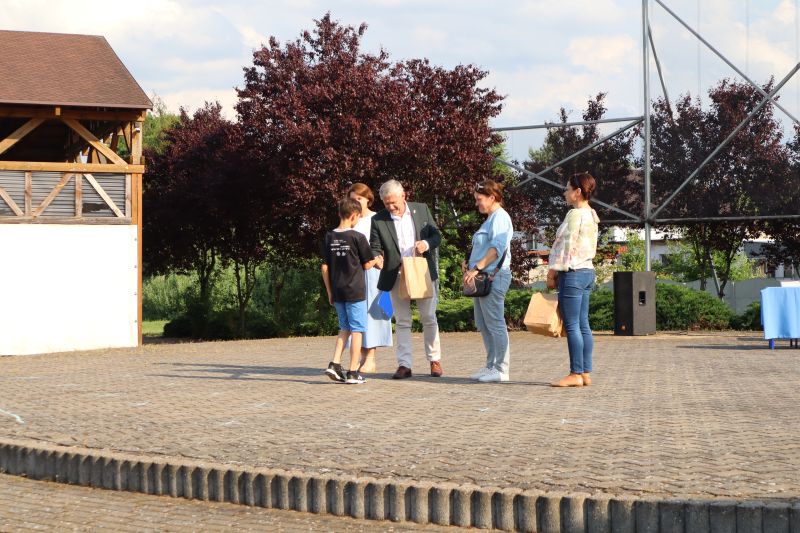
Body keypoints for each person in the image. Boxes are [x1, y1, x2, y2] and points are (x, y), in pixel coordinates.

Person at [369, 179, 443, 379]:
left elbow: (437, 236)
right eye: (386, 203)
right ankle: (404, 365)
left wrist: (426, 244)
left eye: (393, 202)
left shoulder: (421, 209)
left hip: (421, 271)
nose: (390, 207)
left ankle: (435, 360)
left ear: (403, 196)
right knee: (402, 321)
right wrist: (377, 257)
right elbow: (374, 246)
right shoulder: (378, 219)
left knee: (429, 317)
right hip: (396, 273)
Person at [547, 172, 600, 387]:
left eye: (568, 189)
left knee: (572, 325)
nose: (565, 192)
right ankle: (585, 372)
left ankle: (575, 373)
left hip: (573, 273)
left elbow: (564, 248)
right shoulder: (592, 214)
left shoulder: (575, 214)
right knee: (583, 323)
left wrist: (552, 272)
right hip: (587, 271)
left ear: (578, 192)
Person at [322, 197, 377, 385]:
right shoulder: (357, 237)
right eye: (358, 217)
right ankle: (353, 371)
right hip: (355, 291)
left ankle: (335, 363)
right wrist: (377, 260)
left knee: (344, 328)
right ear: (354, 215)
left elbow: (324, 268)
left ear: (340, 213)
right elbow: (367, 264)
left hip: (337, 291)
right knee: (357, 330)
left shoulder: (329, 236)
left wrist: (329, 291)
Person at [463, 180, 514, 383]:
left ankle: (501, 369)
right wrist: (469, 265)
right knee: (483, 324)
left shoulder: (500, 218)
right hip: (482, 278)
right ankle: (491, 365)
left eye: (479, 199)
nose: (477, 203)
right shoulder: (490, 219)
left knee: (495, 323)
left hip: (493, 277)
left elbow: (495, 250)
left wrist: (476, 268)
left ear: (492, 198)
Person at [346, 183, 393, 373]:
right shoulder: (350, 220)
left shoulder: (377, 218)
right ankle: (360, 356)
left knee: (373, 313)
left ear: (368, 199)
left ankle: (371, 358)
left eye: (359, 198)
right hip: (354, 272)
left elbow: (387, 244)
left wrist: (382, 258)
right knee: (357, 314)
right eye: (352, 199)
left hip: (374, 272)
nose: (356, 202)